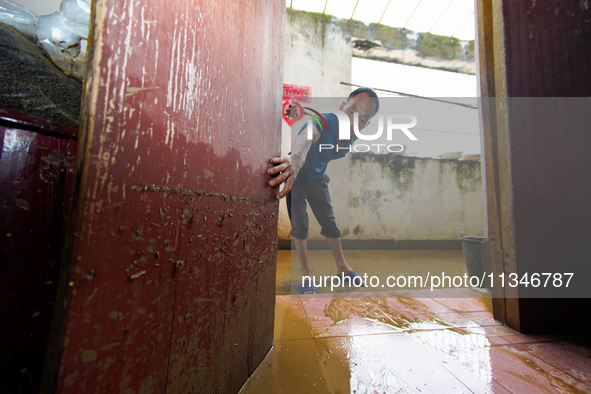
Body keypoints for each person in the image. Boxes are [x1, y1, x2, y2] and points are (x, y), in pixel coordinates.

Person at [267, 87, 380, 294]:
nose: (355, 121)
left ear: (367, 124)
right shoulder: (326, 120)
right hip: (297, 175)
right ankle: (307, 274)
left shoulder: (353, 136)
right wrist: (296, 158)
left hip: (318, 179)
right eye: (352, 111)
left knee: (330, 223)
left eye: (363, 119)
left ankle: (342, 268)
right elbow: (307, 135)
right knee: (300, 225)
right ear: (341, 108)